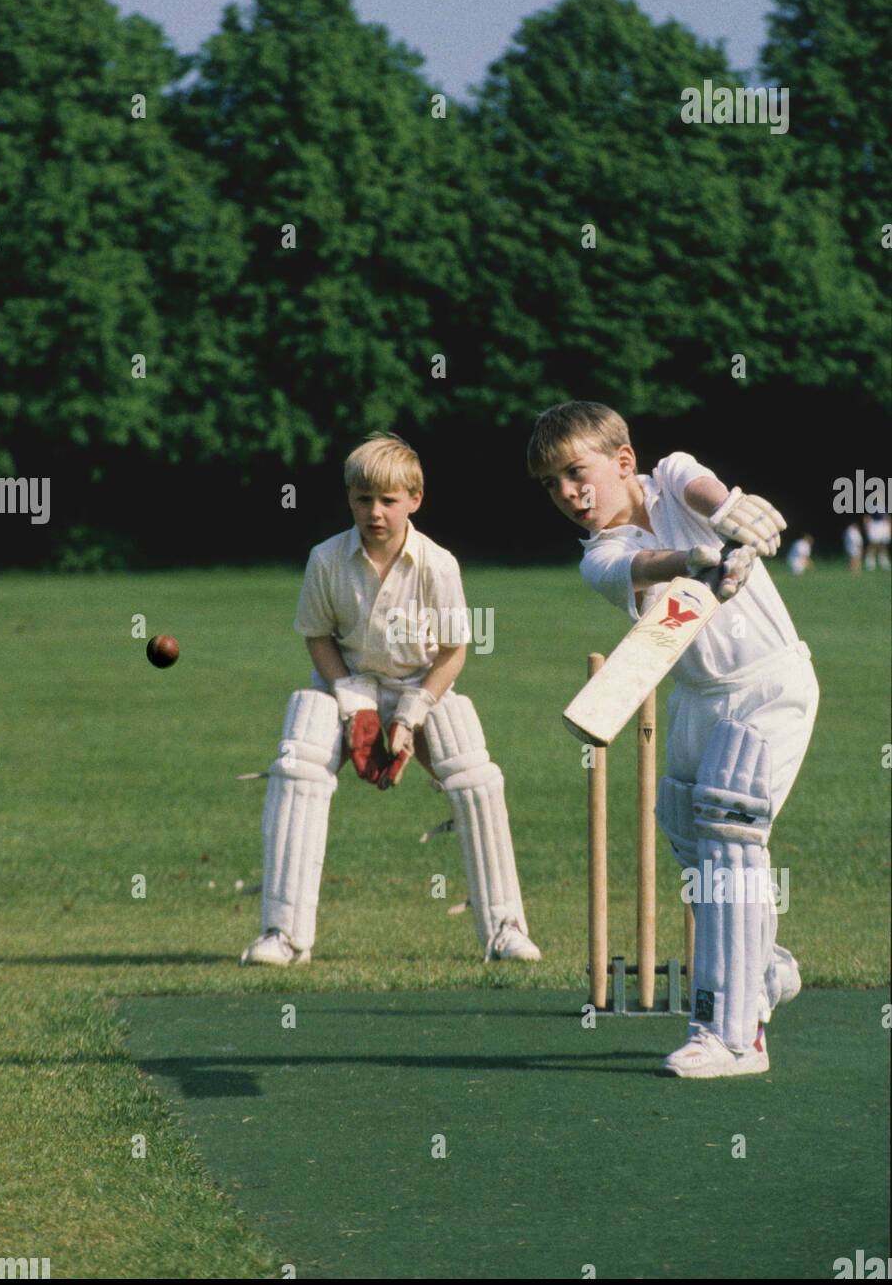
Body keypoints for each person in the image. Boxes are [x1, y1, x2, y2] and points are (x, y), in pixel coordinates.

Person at [528, 401, 818, 1078]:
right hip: (694, 703)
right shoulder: (601, 554)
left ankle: (732, 1036)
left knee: (728, 820)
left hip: (769, 685)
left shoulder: (675, 475)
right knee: (692, 837)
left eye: (576, 473)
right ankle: (763, 967)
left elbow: (702, 490)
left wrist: (729, 516)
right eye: (551, 485)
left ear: (623, 461)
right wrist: (698, 559)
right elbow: (643, 567)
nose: (568, 494)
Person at [241, 433, 540, 967]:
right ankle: (282, 936)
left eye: (388, 501)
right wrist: (354, 705)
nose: (374, 513)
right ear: (349, 499)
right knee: (297, 767)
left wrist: (411, 715)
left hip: (421, 682)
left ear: (414, 500)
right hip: (345, 680)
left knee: (476, 777)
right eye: (362, 500)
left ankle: (505, 931)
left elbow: (452, 653)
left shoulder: (438, 564)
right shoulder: (326, 558)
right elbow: (317, 636)